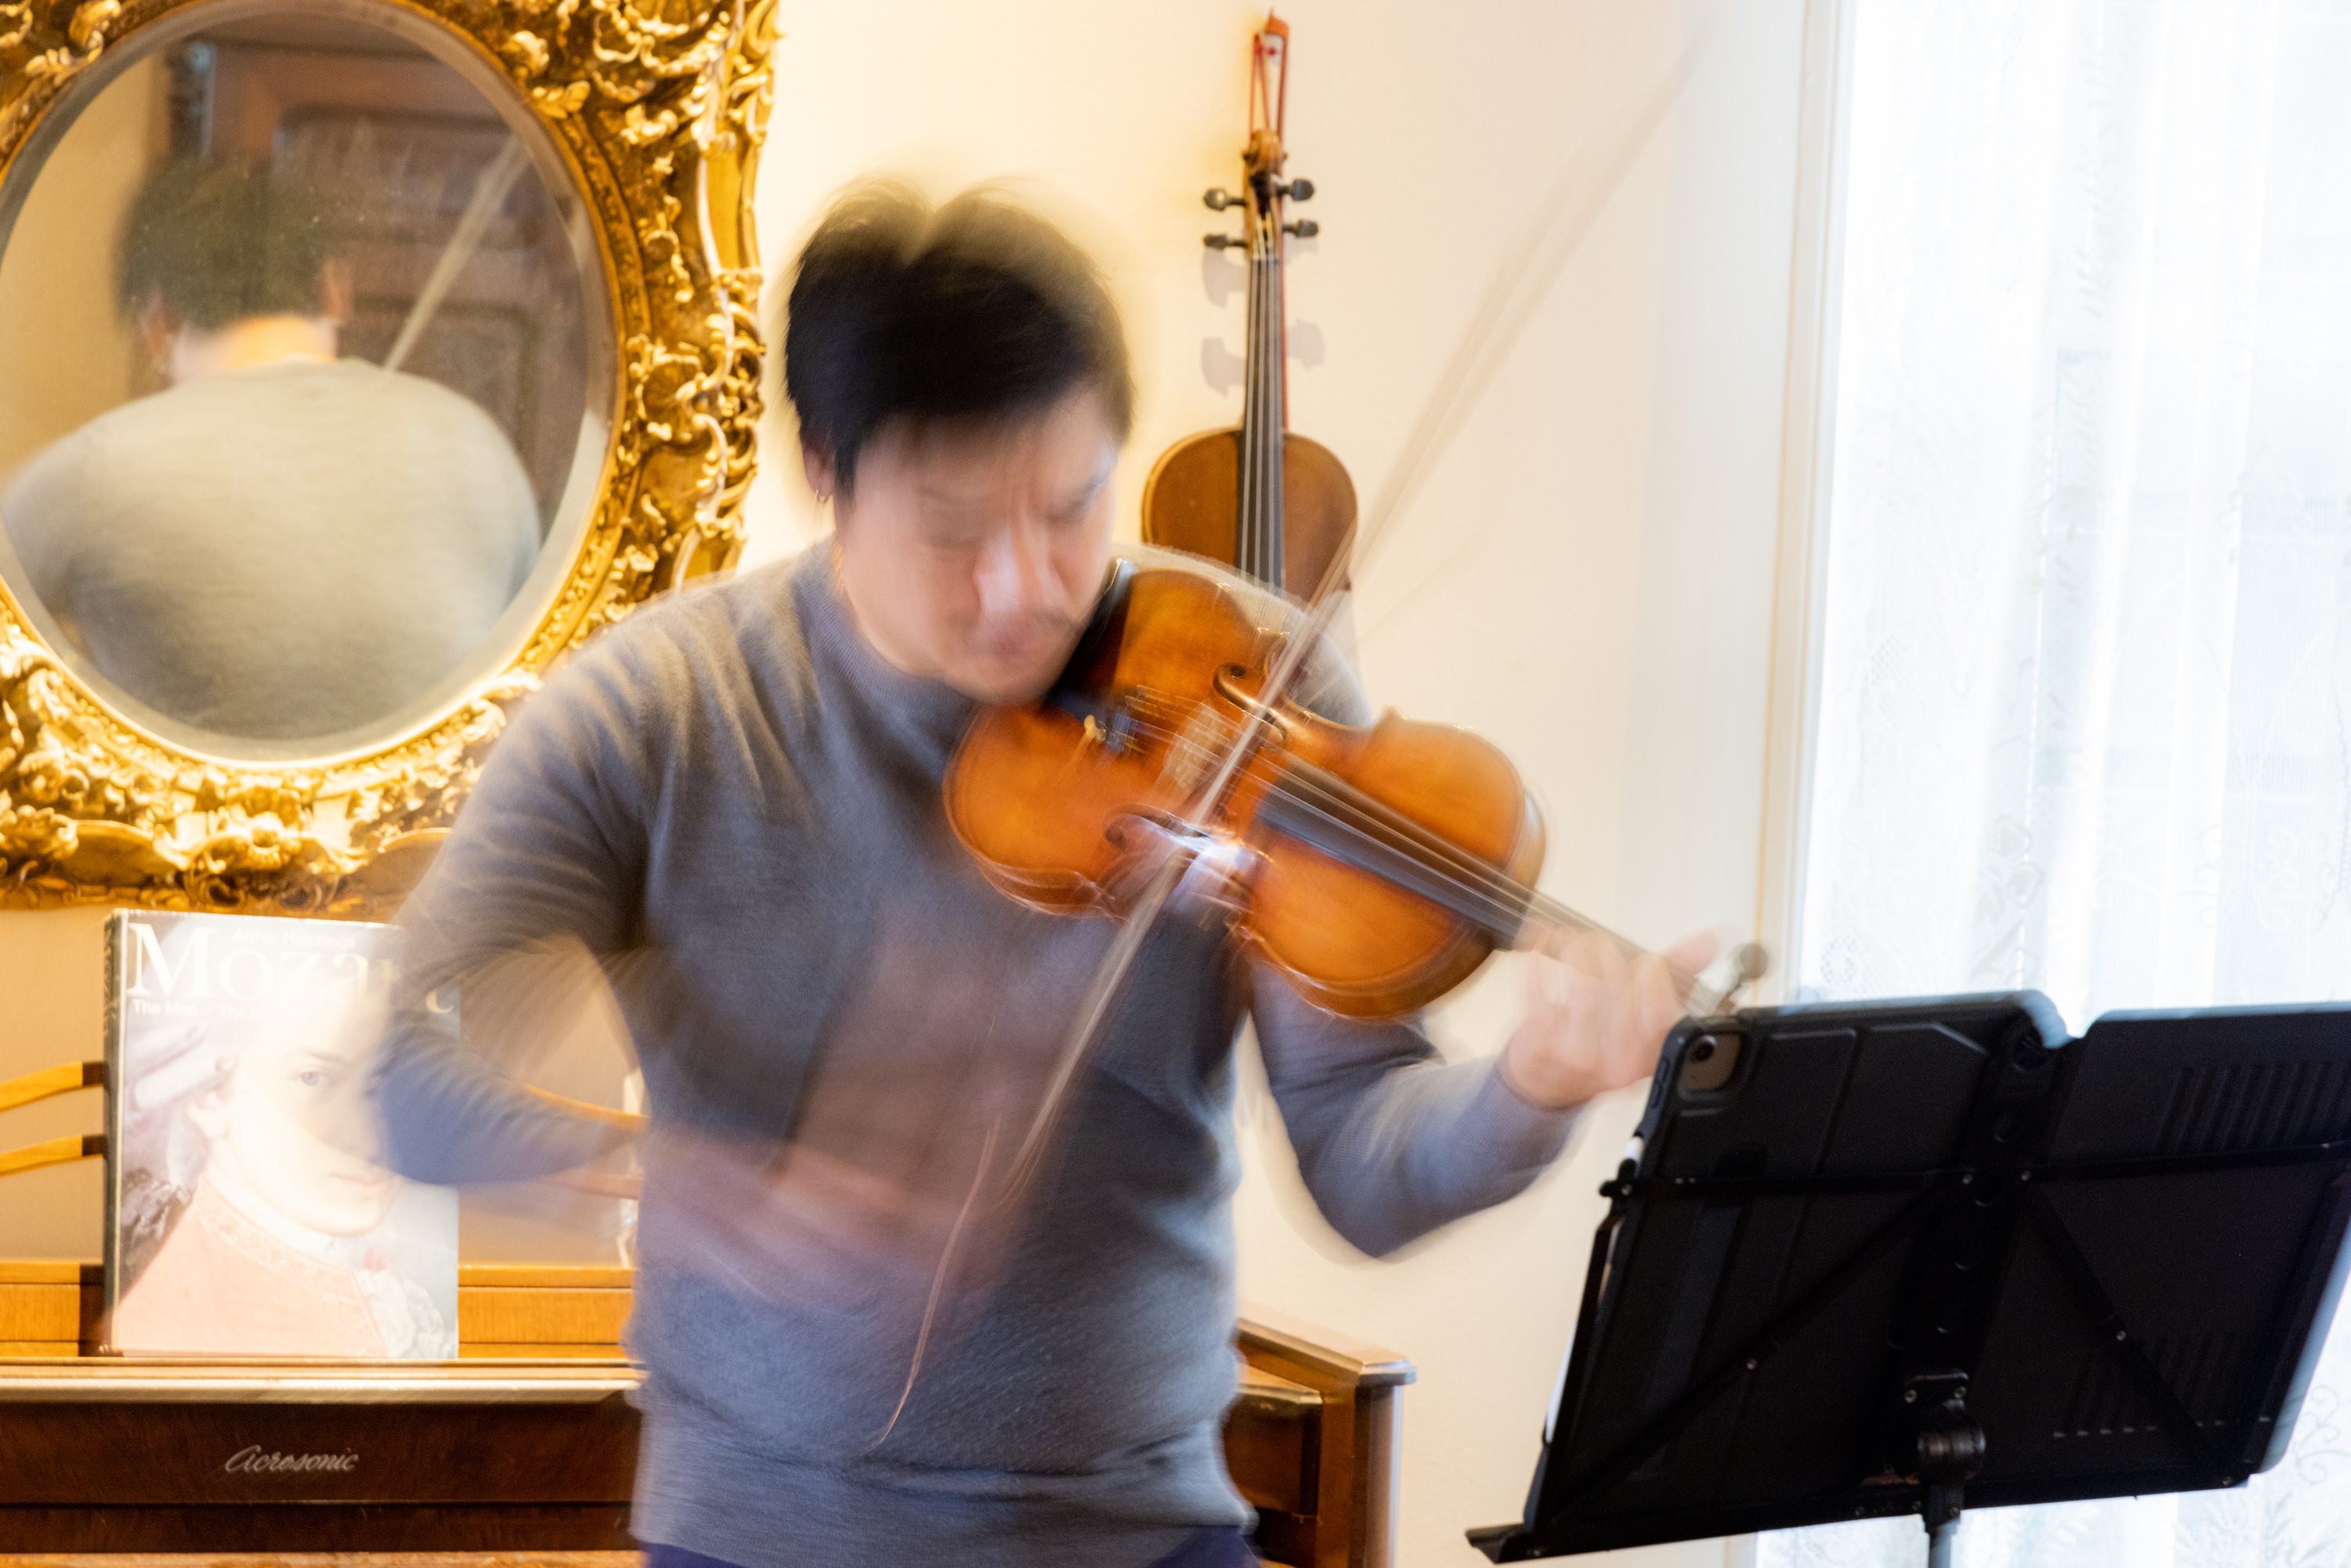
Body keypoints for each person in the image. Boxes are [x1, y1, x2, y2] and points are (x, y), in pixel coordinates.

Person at [370, 183, 1711, 1568]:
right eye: (953, 530)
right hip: (765, 1538)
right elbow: (407, 1076)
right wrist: (688, 1182)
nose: (1025, 586)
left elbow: (1365, 1159)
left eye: (1072, 508)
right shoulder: (653, 711)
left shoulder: (1239, 677)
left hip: (1139, 1534)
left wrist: (1527, 1092)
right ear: (826, 471)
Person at [0, 160, 540, 741]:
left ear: (157, 321)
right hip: (439, 835)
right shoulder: (478, 445)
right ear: (335, 289)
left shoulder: (89, 472)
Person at [112, 963, 455, 1359]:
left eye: (387, 1084)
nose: (371, 1139)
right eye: (313, 1078)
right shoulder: (171, 1307)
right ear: (209, 1095)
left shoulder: (384, 1287)